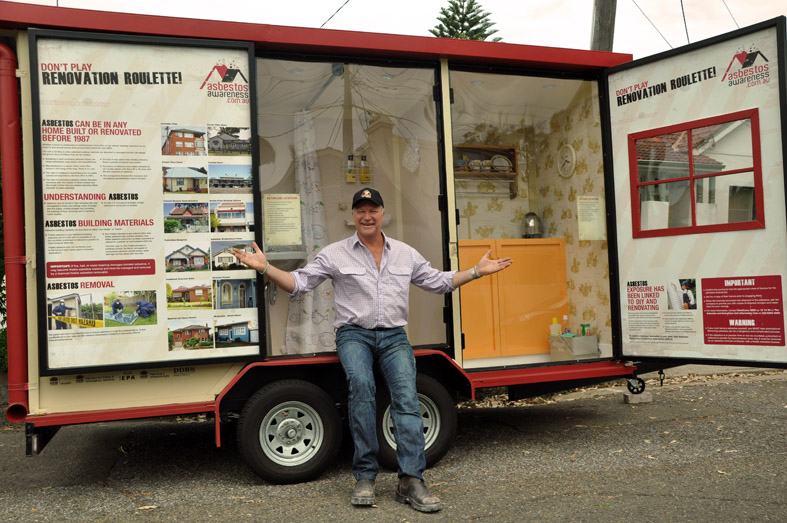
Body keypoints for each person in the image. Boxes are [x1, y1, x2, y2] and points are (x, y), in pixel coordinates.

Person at [233, 187, 513, 513]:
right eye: (361, 210)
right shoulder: (335, 253)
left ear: (382, 214)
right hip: (354, 336)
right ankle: (365, 476)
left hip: (394, 336)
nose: (367, 216)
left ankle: (411, 480)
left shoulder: (405, 253)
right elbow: (299, 283)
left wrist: (476, 271)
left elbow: (439, 282)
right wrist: (265, 268)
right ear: (353, 215)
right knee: (362, 387)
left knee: (406, 397)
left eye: (373, 210)